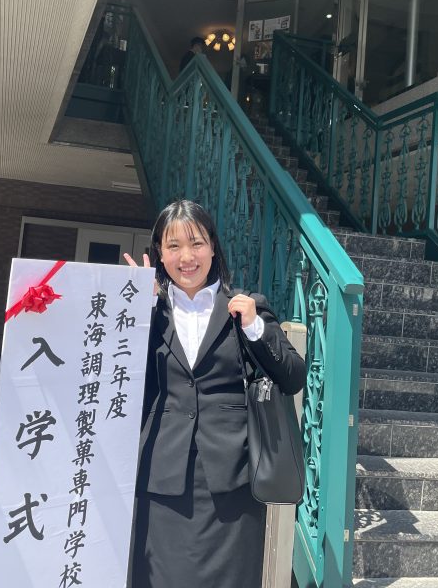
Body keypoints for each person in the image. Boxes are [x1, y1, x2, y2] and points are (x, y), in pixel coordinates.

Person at [125, 200, 306, 588]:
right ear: (159, 253)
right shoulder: (147, 310)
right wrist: (135, 310)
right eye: (174, 246)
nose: (186, 257)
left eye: (196, 243)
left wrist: (255, 327)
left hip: (232, 481)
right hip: (161, 477)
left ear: (212, 247)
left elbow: (293, 377)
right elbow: (120, 381)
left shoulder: (244, 307)